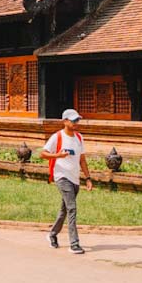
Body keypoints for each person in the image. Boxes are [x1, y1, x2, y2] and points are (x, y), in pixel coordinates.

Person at [40, 108, 92, 254]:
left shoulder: (79, 138)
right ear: (65, 121)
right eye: (73, 120)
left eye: (77, 120)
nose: (76, 123)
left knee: (64, 210)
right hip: (62, 177)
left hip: (75, 178)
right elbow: (43, 154)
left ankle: (52, 234)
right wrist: (58, 155)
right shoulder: (57, 137)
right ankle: (74, 244)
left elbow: (82, 159)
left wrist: (88, 178)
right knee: (72, 208)